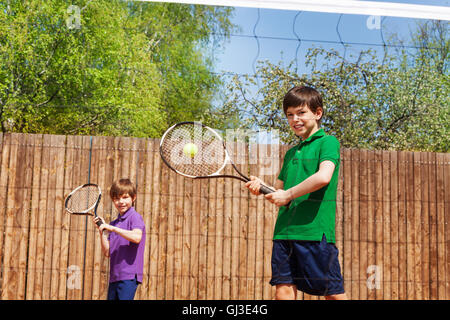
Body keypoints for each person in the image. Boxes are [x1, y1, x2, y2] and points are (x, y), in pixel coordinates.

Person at [245, 86, 347, 300]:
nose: (295, 119)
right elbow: (279, 193)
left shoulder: (328, 142)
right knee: (282, 289)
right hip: (284, 233)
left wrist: (288, 194)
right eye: (290, 115)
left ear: (317, 113)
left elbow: (323, 176)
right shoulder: (291, 152)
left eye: (301, 113)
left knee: (333, 294)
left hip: (314, 233)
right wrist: (262, 186)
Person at [93, 178, 146, 300]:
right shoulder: (114, 223)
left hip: (129, 276)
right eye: (117, 198)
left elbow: (137, 237)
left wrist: (112, 229)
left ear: (133, 198)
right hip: (114, 277)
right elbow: (107, 252)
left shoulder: (135, 217)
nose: (121, 201)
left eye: (125, 197)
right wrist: (102, 232)